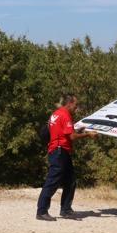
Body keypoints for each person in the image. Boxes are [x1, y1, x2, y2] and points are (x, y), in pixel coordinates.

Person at [36, 93, 96, 221]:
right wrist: (88, 134)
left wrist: (78, 130)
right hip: (59, 151)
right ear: (69, 104)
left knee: (71, 180)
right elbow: (72, 137)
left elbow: (64, 132)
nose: (77, 108)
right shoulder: (65, 115)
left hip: (60, 150)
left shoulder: (56, 114)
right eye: (76, 105)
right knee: (52, 181)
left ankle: (66, 210)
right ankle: (41, 211)